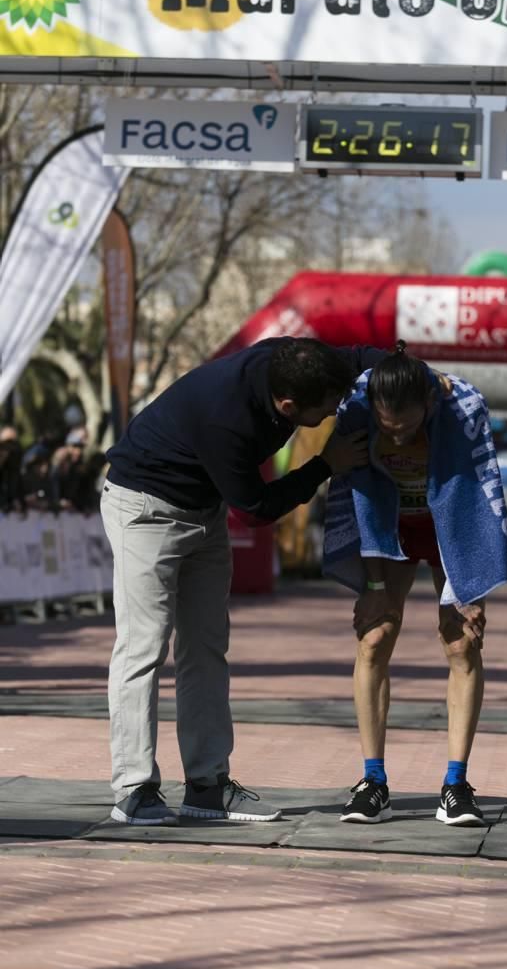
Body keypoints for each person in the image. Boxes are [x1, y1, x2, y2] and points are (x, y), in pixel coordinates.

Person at [101, 336, 383, 826]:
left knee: (206, 648)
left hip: (201, 509)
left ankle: (207, 787)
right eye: (327, 408)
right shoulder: (225, 417)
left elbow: (360, 357)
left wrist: (426, 376)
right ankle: (134, 790)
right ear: (289, 405)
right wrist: (323, 466)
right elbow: (256, 509)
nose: (335, 412)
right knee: (143, 647)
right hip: (143, 510)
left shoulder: (300, 359)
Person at [325, 344, 507, 828]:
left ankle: (455, 785)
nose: (396, 435)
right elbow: (361, 492)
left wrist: (469, 588)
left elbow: (475, 495)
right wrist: (372, 582)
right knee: (374, 636)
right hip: (387, 520)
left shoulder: (464, 409)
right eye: (387, 427)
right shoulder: (357, 405)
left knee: (462, 643)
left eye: (408, 428)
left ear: (430, 407)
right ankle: (373, 781)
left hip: (449, 524)